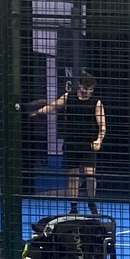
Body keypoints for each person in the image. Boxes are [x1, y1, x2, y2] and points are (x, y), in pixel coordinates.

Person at [30, 70, 106, 211]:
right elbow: (53, 106)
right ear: (79, 85)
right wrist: (38, 112)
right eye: (85, 88)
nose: (87, 92)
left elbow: (102, 125)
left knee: (90, 175)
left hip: (88, 143)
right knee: (73, 176)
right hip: (71, 142)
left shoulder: (96, 103)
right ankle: (73, 207)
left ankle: (91, 201)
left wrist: (99, 140)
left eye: (90, 89)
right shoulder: (68, 97)